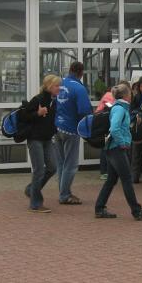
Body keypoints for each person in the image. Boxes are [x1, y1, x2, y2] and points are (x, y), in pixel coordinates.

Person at [94, 83, 142, 220]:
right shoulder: (120, 109)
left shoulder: (119, 107)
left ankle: (99, 208)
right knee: (126, 179)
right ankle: (136, 211)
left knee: (111, 180)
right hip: (117, 149)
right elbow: (115, 129)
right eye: (130, 93)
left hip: (112, 148)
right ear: (127, 95)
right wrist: (123, 143)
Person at [54, 62, 92, 205]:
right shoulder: (79, 88)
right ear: (81, 73)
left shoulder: (59, 83)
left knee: (61, 163)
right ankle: (64, 195)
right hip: (71, 129)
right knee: (70, 165)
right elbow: (84, 110)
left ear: (69, 70)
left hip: (57, 127)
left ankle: (63, 192)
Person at [21, 75, 60, 213]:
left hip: (47, 139)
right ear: (49, 86)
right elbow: (24, 116)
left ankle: (31, 189)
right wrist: (37, 113)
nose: (59, 88)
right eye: (57, 86)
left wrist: (55, 129)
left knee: (52, 167)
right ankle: (36, 204)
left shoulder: (53, 101)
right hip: (35, 139)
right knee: (39, 170)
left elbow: (50, 119)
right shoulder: (38, 99)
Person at [129, 76, 142, 183]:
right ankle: (135, 176)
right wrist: (139, 114)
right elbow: (132, 110)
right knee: (136, 153)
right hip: (138, 129)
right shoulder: (137, 97)